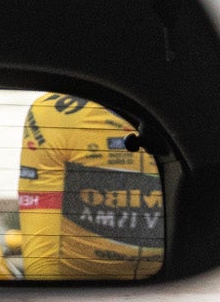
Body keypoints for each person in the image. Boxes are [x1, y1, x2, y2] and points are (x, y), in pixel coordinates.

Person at [17, 93, 165, 280]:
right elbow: (41, 254)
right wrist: (50, 296)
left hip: (172, 288)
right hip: (78, 291)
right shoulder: (54, 112)